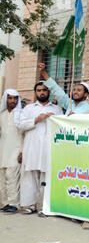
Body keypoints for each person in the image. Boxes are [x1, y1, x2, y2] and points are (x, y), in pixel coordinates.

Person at [17, 81, 63, 216]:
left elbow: (62, 128)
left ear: (49, 92)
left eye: (44, 90)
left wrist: (56, 119)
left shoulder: (57, 109)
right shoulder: (29, 109)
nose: (42, 92)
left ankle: (44, 206)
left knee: (46, 177)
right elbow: (20, 125)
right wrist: (37, 119)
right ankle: (30, 205)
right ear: (35, 92)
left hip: (49, 149)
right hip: (31, 148)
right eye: (39, 90)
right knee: (30, 176)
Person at [0, 89, 23, 214]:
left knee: (12, 176)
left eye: (15, 98)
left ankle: (14, 203)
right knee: (2, 177)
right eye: (10, 98)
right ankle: (4, 203)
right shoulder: (1, 114)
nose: (13, 101)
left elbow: (24, 134)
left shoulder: (21, 114)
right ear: (5, 99)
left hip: (16, 149)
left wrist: (22, 151)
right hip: (2, 149)